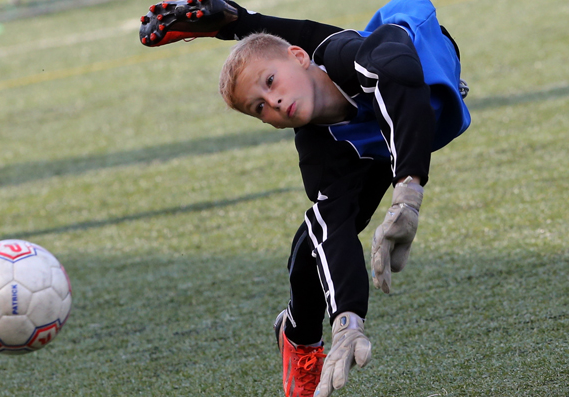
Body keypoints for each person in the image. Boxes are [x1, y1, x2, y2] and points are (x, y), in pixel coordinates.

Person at [139, 0, 471, 396]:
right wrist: (347, 321)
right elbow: (333, 233)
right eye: (259, 108)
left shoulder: (342, 55)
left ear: (299, 59)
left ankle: (298, 329)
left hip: (408, 80)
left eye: (270, 83)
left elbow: (385, 63)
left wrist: (409, 192)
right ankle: (299, 335)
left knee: (377, 63)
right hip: (373, 143)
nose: (273, 102)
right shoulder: (320, 150)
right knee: (321, 229)